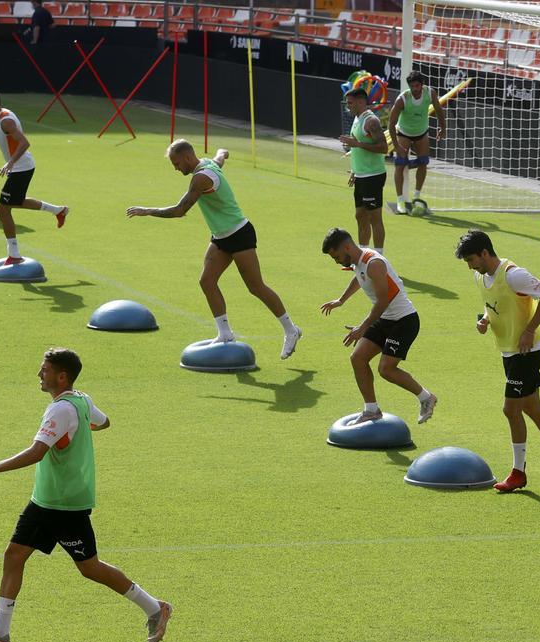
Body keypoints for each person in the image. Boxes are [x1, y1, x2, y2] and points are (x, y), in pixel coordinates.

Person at [0, 348, 172, 642]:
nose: (38, 375)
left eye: (44, 370)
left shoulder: (61, 410)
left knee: (90, 567)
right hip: (45, 501)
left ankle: (156, 608)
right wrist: (77, 429)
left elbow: (37, 452)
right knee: (14, 555)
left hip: (64, 506)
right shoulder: (81, 400)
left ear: (61, 376)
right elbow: (104, 421)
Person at [126, 140, 302, 359]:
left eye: (176, 162)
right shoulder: (208, 163)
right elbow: (220, 157)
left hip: (239, 234)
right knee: (207, 282)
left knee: (256, 287)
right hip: (220, 237)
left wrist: (147, 211)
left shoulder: (201, 178)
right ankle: (225, 334)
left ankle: (291, 329)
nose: (175, 168)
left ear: (188, 158)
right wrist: (223, 152)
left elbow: (180, 210)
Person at [455, 229, 540, 492]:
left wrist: (530, 330)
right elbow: (495, 303)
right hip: (509, 351)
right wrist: (486, 320)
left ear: (485, 253)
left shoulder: (514, 275)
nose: (470, 267)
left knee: (510, 409)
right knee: (532, 407)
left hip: (527, 352)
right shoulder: (481, 276)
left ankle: (518, 473)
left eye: (471, 260)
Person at [320, 228, 437, 425]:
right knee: (358, 358)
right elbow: (359, 277)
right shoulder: (358, 262)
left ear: (348, 247)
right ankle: (371, 410)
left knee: (386, 369)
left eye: (337, 256)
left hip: (403, 321)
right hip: (385, 319)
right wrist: (341, 300)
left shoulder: (374, 263)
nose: (337, 261)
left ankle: (426, 398)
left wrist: (363, 327)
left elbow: (383, 301)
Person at [0, 86, 69, 265]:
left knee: (3, 209)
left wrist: (10, 162)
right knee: (17, 201)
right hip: (20, 167)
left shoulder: (6, 120)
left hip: (21, 168)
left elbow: (25, 142)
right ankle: (59, 210)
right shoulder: (0, 117)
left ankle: (14, 254)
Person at [388, 70, 446, 215]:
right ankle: (400, 200)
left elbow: (439, 110)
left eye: (417, 86)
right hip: (404, 133)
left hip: (422, 133)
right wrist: (396, 146)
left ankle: (417, 197)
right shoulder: (403, 99)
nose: (415, 89)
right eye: (412, 86)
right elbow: (391, 123)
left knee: (423, 162)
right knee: (400, 164)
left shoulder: (430, 93)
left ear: (422, 85)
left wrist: (442, 128)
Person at [339, 88, 388, 254]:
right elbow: (358, 147)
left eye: (350, 103)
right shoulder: (357, 118)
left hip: (373, 176)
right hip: (361, 175)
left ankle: (379, 258)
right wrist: (354, 171)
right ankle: (363, 255)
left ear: (361, 102)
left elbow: (383, 147)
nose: (348, 106)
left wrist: (357, 144)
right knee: (360, 215)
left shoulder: (371, 121)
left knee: (375, 218)